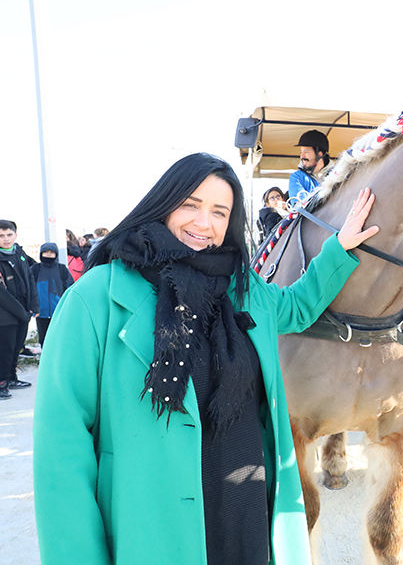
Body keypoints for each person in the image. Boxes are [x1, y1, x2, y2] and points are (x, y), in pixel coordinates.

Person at [33, 152, 378, 565]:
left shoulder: (244, 291)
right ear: (162, 203)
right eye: (191, 205)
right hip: (150, 529)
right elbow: (61, 452)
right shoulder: (95, 299)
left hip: (246, 514)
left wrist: (339, 247)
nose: (203, 223)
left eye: (219, 211)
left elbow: (299, 306)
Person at [0, 219, 39, 396]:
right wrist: (21, 313)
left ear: (15, 235)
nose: (6, 239)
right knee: (5, 349)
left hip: (23, 311)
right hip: (5, 315)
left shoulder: (19, 253)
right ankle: (1, 383)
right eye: (1, 236)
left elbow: (30, 279)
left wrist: (33, 305)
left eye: (9, 234)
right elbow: (2, 294)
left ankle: (11, 378)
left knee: (16, 347)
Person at [30, 242, 73, 346]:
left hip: (58, 309)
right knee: (43, 338)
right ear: (41, 254)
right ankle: (45, 359)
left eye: (51, 252)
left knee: (58, 336)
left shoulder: (62, 269)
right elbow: (28, 288)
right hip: (41, 311)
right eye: (46, 252)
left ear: (56, 254)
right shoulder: (35, 269)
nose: (48, 254)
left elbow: (71, 288)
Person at [288, 129, 330, 203]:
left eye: (306, 152)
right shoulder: (297, 177)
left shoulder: (337, 176)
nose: (302, 156)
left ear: (319, 154)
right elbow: (300, 207)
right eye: (301, 152)